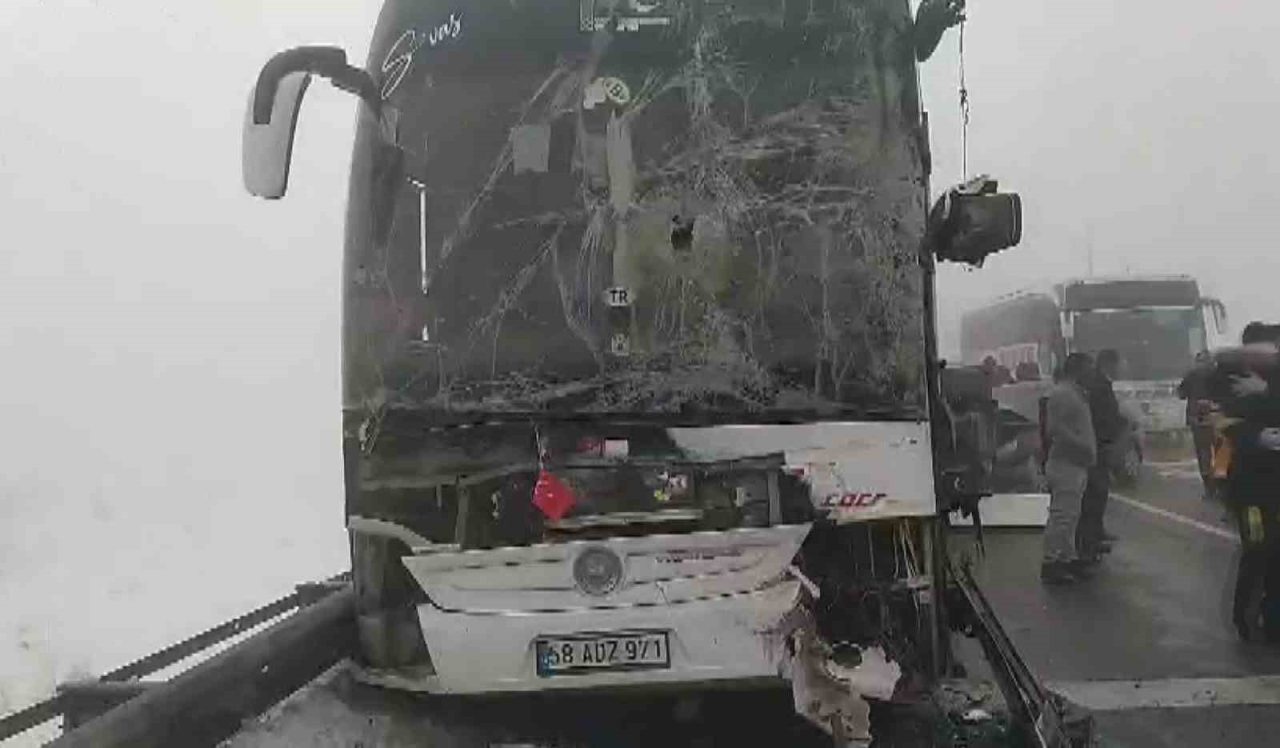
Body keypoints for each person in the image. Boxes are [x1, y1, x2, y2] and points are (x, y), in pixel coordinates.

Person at [1217, 323, 1280, 640]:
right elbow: (1224, 420)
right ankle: (1245, 617)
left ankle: (1271, 618)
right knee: (1258, 550)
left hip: (1272, 483)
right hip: (1252, 488)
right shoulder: (1235, 379)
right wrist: (1257, 436)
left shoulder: (1269, 384)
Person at [1041, 353, 1097, 585]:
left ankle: (1067, 558)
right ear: (1078, 369)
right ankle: (1052, 562)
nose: (1092, 374)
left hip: (1075, 463)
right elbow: (1055, 429)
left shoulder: (1074, 393)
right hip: (1067, 463)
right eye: (1089, 369)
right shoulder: (1064, 394)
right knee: (1062, 516)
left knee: (1070, 515)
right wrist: (1082, 446)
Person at [1078, 349, 1122, 562]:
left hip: (1102, 443)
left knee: (1099, 491)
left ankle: (1095, 534)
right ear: (1108, 363)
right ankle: (1090, 542)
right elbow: (1101, 414)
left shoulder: (1101, 383)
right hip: (1099, 443)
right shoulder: (1098, 386)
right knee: (1095, 493)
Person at [1178, 350, 1218, 500]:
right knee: (1220, 453)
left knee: (1203, 454)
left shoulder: (1191, 375)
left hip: (1198, 420)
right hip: (1215, 419)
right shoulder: (1216, 374)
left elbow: (1181, 394)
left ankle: (1209, 488)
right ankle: (1220, 486)